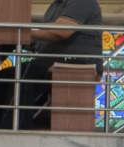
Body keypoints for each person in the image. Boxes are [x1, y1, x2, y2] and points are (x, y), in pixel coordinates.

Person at [17, 0, 103, 130]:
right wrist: (28, 41)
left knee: (25, 73)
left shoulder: (82, 2)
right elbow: (47, 36)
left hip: (77, 61)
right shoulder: (56, 5)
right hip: (55, 59)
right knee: (5, 75)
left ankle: (19, 128)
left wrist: (21, 31)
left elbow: (61, 32)